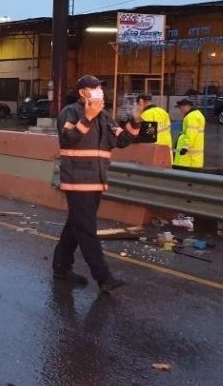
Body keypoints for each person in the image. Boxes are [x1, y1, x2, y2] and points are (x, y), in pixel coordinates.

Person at [53, 75, 140, 293]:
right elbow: (68, 139)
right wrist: (87, 118)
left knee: (76, 225)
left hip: (97, 181)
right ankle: (104, 278)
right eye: (95, 87)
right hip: (77, 181)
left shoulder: (105, 117)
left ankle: (61, 268)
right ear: (83, 92)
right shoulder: (70, 112)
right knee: (87, 230)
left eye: (101, 87)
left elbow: (121, 141)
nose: (100, 90)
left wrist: (135, 122)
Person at [136, 93, 172, 163]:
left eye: (138, 104)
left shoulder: (147, 114)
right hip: (166, 151)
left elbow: (148, 137)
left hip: (154, 153)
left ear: (141, 102)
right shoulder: (163, 112)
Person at [174, 98, 205, 168]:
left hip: (189, 158)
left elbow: (191, 134)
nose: (180, 110)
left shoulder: (192, 117)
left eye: (180, 107)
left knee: (186, 175)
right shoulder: (195, 115)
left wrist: (185, 147)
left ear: (187, 106)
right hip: (192, 156)